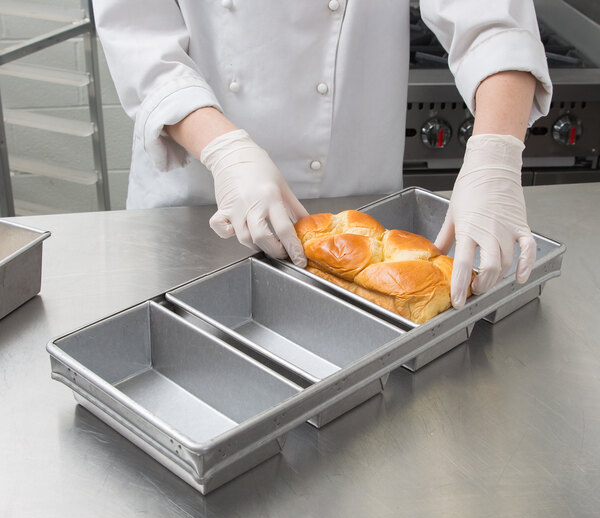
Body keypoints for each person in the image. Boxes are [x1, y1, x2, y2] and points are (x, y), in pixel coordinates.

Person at [93, 0, 552, 309]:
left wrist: (497, 152)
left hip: (355, 193)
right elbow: (140, 38)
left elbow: (492, 18)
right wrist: (224, 150)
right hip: (201, 205)